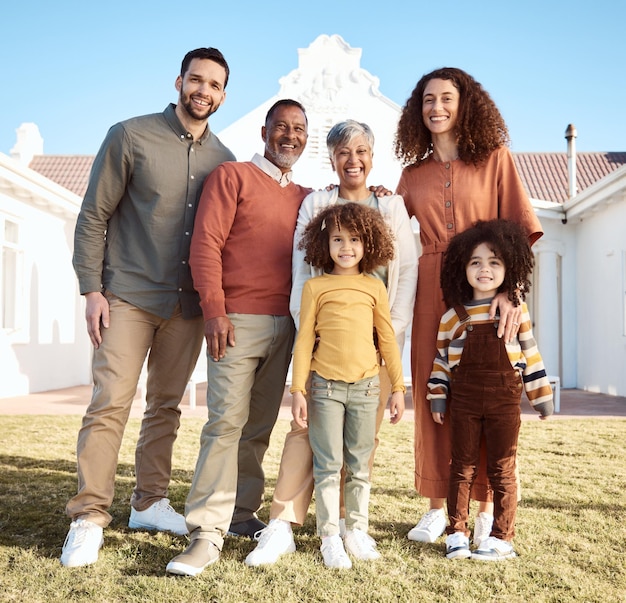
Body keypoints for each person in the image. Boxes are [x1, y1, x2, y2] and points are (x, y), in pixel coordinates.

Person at [62, 48, 236, 568]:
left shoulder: (224, 160)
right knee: (111, 400)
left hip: (186, 306)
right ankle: (89, 516)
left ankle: (149, 502)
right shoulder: (129, 135)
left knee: (166, 406)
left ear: (224, 95)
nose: (204, 91)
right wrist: (91, 288)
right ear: (180, 81)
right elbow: (93, 213)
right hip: (128, 296)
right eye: (197, 80)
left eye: (215, 85)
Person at [245, 120, 417, 567]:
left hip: (375, 348)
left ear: (372, 157)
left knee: (362, 442)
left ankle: (346, 526)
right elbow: (303, 272)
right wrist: (313, 333)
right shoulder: (317, 202)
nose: (353, 160)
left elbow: (408, 274)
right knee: (305, 432)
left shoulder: (391, 205)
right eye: (343, 152)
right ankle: (282, 524)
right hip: (323, 348)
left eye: (361, 151)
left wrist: (389, 337)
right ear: (332, 159)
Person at [394, 67, 544, 545]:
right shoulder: (411, 174)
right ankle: (438, 507)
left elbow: (520, 229)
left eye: (446, 98)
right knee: (434, 392)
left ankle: (483, 509)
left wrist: (510, 293)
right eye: (427, 100)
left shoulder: (496, 159)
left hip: (489, 290)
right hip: (430, 291)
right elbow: (392, 232)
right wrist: (379, 198)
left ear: (466, 105)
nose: (436, 108)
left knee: (489, 392)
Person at [165, 99, 312, 577]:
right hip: (236, 320)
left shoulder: (308, 197)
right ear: (265, 130)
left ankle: (242, 514)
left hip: (285, 326)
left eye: (299, 129)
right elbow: (204, 243)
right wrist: (214, 311)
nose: (290, 136)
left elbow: (347, 215)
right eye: (282, 127)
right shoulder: (232, 177)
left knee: (258, 427)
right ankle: (206, 532)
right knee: (225, 424)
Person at [426, 219, 553, 561]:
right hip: (464, 401)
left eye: (494, 262)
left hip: (504, 402)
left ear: (508, 268)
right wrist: (437, 398)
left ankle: (501, 537)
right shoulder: (452, 318)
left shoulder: (516, 312)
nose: (485, 269)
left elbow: (530, 351)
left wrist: (542, 397)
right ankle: (456, 533)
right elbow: (441, 362)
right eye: (476, 262)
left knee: (502, 468)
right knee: (461, 466)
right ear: (462, 269)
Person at [290, 202, 407, 568]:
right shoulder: (314, 287)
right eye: (337, 239)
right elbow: (304, 340)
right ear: (323, 244)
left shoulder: (375, 288)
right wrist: (298, 390)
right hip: (324, 388)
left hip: (367, 387)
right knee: (328, 465)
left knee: (359, 465)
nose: (346, 247)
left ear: (367, 243)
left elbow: (387, 339)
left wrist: (399, 388)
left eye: (354, 239)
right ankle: (329, 536)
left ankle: (355, 530)